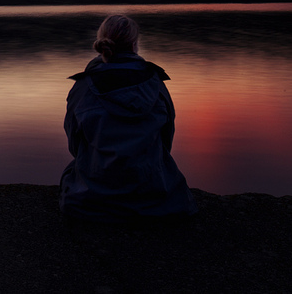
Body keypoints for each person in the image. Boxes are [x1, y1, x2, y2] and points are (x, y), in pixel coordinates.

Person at [60, 14, 197, 225]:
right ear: (134, 44)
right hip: (153, 195)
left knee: (71, 171)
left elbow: (75, 145)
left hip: (92, 201)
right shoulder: (155, 84)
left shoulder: (83, 87)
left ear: (102, 42)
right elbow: (166, 141)